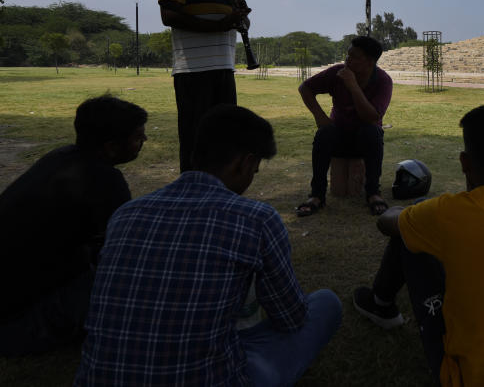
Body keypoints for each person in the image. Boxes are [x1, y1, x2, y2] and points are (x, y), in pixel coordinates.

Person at [76, 104, 341, 386]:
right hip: (214, 376)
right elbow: (290, 318)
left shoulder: (125, 215)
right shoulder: (256, 219)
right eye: (256, 170)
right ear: (245, 163)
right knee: (326, 303)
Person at [353, 106, 484, 386]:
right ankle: (380, 303)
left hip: (469, 379)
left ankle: (381, 305)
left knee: (409, 232)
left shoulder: (450, 213)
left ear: (464, 162)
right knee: (421, 226)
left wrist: (404, 212)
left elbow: (385, 222)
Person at [0, 95, 148, 356]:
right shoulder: (103, 181)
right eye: (137, 137)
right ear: (110, 147)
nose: (144, 142)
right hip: (5, 331)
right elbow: (126, 256)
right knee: (137, 282)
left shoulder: (61, 158)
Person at [158, 0, 250, 172]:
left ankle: (218, 187)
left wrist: (241, 18)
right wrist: (220, 25)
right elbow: (169, 16)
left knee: (224, 136)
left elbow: (241, 23)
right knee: (194, 136)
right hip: (192, 72)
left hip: (224, 68)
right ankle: (191, 191)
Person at [296, 35, 392, 217]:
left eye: (354, 57)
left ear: (370, 62)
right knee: (324, 133)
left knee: (373, 132)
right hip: (338, 138)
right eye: (348, 55)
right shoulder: (337, 72)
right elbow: (305, 88)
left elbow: (371, 117)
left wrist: (353, 86)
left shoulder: (383, 81)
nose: (348, 60)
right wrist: (320, 117)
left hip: (365, 142)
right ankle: (316, 195)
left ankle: (373, 193)